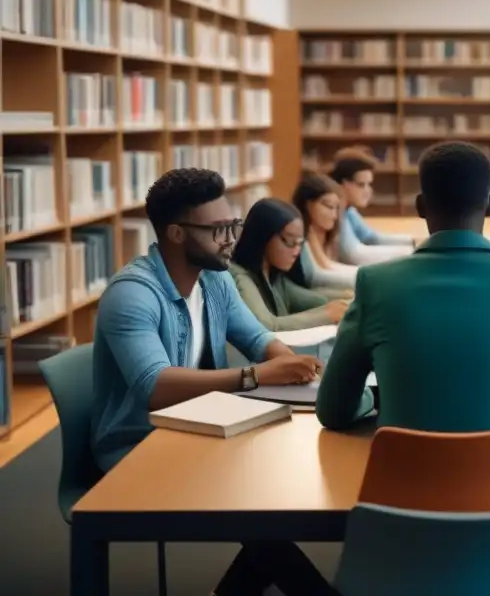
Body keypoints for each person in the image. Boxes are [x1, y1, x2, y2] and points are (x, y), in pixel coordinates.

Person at [91, 168, 336, 596]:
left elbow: (257, 338)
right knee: (263, 508)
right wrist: (253, 376)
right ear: (177, 234)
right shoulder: (133, 294)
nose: (231, 239)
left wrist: (292, 364)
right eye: (218, 229)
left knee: (273, 496)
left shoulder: (216, 279)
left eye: (233, 225)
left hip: (203, 432)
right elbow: (155, 385)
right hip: (139, 447)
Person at [316, 140, 490, 434]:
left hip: (398, 476)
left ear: (420, 207)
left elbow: (333, 411)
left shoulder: (374, 284)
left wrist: (372, 401)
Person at [229, 197, 349, 332]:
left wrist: (349, 299)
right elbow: (267, 325)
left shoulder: (273, 275)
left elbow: (317, 299)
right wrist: (327, 315)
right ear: (263, 235)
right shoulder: (240, 278)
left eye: (300, 243)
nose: (296, 252)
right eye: (290, 242)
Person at [329, 149, 416, 265]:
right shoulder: (334, 210)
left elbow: (370, 238)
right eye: (361, 185)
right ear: (343, 183)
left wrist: (414, 242)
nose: (368, 191)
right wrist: (412, 252)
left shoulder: (349, 210)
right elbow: (354, 255)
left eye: (369, 184)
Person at [289, 173, 358, 296]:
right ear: (308, 205)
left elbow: (328, 266)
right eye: (329, 207)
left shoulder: (317, 233)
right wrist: (368, 279)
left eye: (336, 208)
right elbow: (317, 277)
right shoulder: (297, 237)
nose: (334, 216)